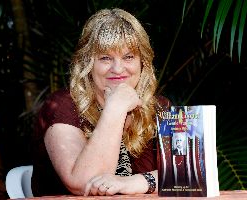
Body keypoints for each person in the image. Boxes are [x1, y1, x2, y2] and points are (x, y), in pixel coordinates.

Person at [31, 8, 170, 196]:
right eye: (105, 58)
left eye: (128, 57)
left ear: (142, 62)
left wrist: (136, 182)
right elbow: (86, 184)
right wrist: (115, 108)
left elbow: (191, 175)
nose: (118, 68)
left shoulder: (159, 108)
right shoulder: (63, 106)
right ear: (88, 63)